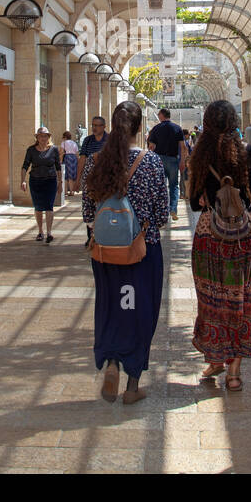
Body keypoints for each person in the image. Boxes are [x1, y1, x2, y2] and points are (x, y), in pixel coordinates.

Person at [82, 101, 168, 404]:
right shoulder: (152, 162)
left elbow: (88, 213)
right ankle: (132, 385)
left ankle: (112, 363)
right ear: (138, 128)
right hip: (143, 251)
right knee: (140, 309)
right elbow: (161, 215)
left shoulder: (94, 162)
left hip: (106, 253)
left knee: (112, 306)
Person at [188, 100, 251, 392]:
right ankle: (234, 372)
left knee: (212, 300)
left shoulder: (200, 157)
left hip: (210, 235)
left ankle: (215, 358)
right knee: (241, 300)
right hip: (245, 236)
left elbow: (194, 201)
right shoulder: (249, 154)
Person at [21, 126, 60, 243]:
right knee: (38, 207)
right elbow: (25, 166)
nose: (43, 138)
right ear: (37, 138)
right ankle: (40, 231)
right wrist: (22, 180)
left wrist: (60, 182)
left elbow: (58, 166)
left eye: (45, 136)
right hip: (35, 181)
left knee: (49, 206)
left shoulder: (53, 150)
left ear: (48, 137)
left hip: (50, 180)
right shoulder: (31, 150)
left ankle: (49, 233)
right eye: (40, 136)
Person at [147, 108, 186, 222]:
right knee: (174, 186)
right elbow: (183, 147)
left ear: (161, 115)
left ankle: (161, 210)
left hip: (159, 160)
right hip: (173, 160)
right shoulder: (177, 128)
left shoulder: (156, 128)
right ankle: (173, 209)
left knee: (160, 186)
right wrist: (182, 161)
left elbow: (151, 147)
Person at [77, 116, 108, 247]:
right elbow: (82, 158)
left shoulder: (110, 140)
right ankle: (90, 237)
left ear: (104, 127)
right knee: (88, 209)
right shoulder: (88, 141)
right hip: (89, 181)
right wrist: (77, 178)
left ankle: (103, 235)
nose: (95, 128)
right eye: (93, 125)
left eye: (98, 125)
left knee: (103, 207)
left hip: (104, 181)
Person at [60, 130, 81, 197]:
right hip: (74, 158)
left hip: (67, 157)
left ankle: (66, 191)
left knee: (66, 175)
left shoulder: (64, 143)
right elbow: (77, 153)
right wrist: (78, 161)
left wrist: (60, 160)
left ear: (65, 137)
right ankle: (72, 191)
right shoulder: (74, 143)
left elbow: (61, 152)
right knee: (72, 174)